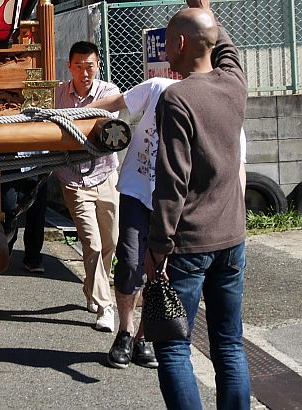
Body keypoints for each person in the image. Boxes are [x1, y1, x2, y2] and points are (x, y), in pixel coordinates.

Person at [92, 74, 250, 371]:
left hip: (180, 205)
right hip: (138, 191)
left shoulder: (223, 106)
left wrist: (234, 214)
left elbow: (236, 167)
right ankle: (125, 331)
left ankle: (143, 337)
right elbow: (118, 101)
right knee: (130, 263)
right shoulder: (159, 87)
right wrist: (76, 113)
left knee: (162, 273)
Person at [145, 0, 250, 409]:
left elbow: (173, 180)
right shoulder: (234, 84)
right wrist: (208, 12)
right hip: (232, 238)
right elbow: (228, 52)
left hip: (187, 244)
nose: (166, 49)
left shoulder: (177, 98)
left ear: (181, 44)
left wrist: (158, 247)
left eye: (169, 41)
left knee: (173, 347)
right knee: (229, 344)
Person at [54, 41, 121, 333]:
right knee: (91, 243)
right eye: (79, 66)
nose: (84, 72)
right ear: (69, 67)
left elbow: (106, 126)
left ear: (98, 66)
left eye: (90, 66)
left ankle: (91, 287)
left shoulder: (109, 92)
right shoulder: (58, 94)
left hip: (105, 175)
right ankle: (105, 307)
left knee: (111, 241)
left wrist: (67, 120)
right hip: (73, 179)